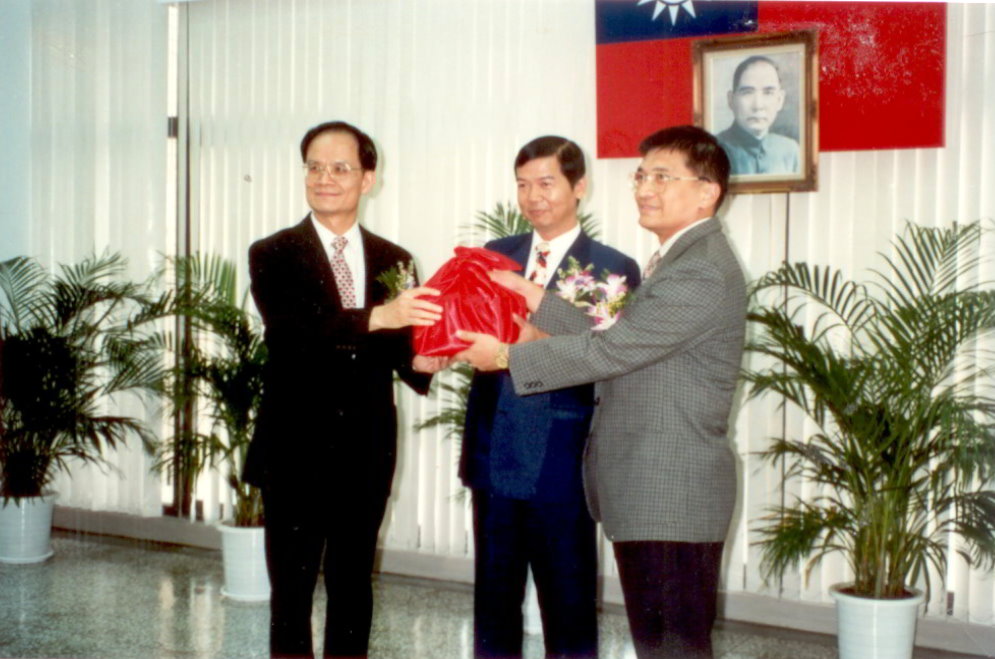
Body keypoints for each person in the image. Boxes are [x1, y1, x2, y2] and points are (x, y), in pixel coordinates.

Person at [455, 125, 746, 659]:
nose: (644, 189)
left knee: (671, 647)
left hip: (667, 491)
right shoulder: (680, 259)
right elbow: (619, 337)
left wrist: (505, 357)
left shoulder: (698, 270)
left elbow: (613, 351)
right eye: (642, 175)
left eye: (662, 177)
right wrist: (535, 298)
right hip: (650, 489)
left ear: (708, 191)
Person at [244, 120, 444, 658]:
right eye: (314, 167)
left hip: (366, 448)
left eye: (339, 168)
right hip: (293, 449)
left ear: (367, 179)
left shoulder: (395, 259)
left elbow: (399, 347)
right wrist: (381, 316)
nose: (324, 178)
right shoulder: (272, 252)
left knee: (353, 584)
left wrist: (426, 360)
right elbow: (293, 330)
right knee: (291, 591)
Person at [461, 136, 640, 659]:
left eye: (546, 183)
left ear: (578, 186)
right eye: (523, 185)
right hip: (494, 451)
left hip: (563, 458)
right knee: (493, 603)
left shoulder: (611, 267)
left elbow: (600, 354)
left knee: (568, 607)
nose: (533, 196)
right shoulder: (496, 256)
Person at [716, 55, 799, 175]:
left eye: (768, 93)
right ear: (731, 100)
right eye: (747, 92)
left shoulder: (790, 150)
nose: (758, 105)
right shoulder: (714, 149)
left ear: (780, 100)